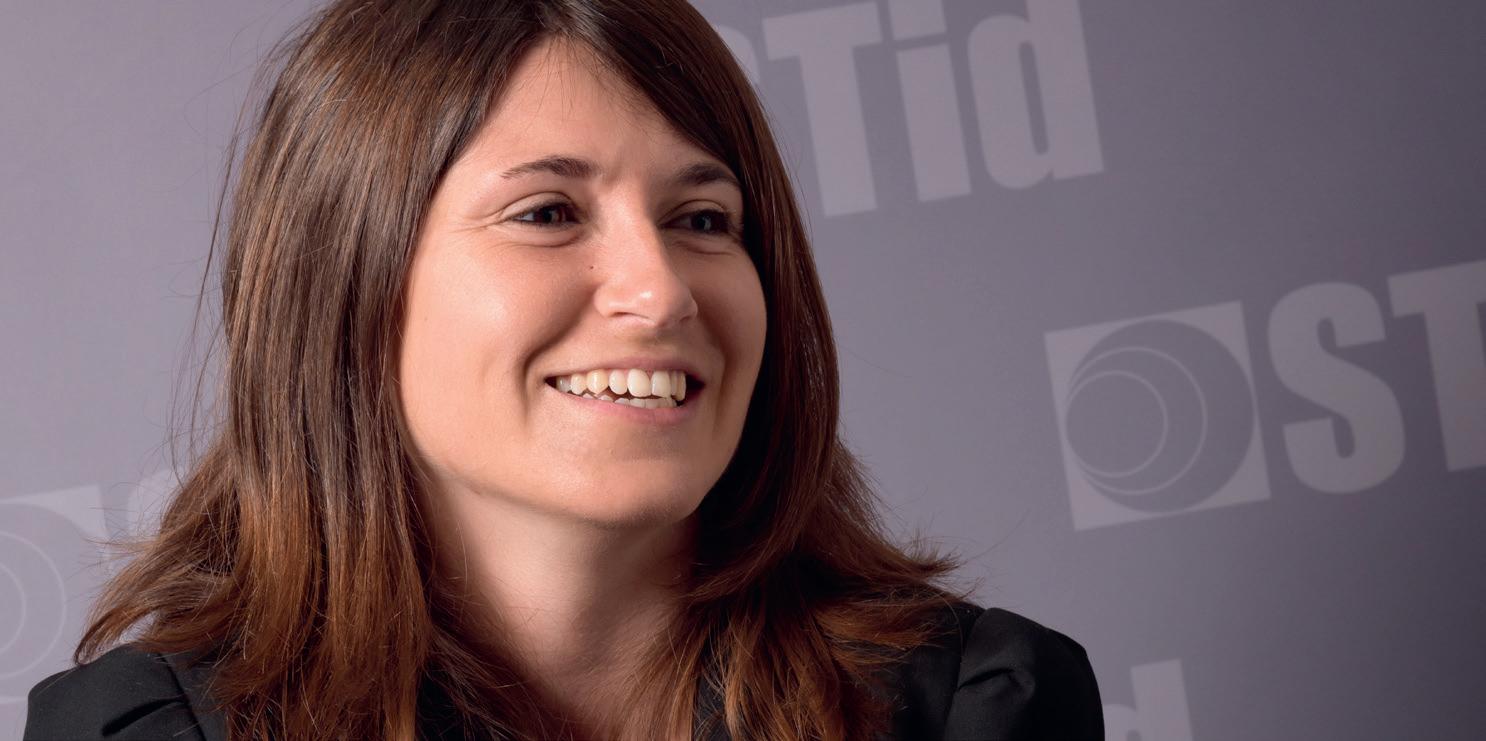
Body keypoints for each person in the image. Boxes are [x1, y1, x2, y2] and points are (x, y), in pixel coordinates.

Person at [23, 1, 1102, 738]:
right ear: (343, 285)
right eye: (546, 213)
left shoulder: (974, 710)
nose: (661, 291)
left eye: (703, 218)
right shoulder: (151, 730)